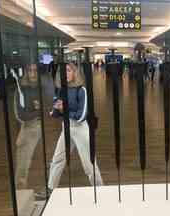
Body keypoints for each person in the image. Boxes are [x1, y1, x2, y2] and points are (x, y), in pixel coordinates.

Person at [43, 63, 103, 197]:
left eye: (69, 71)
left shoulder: (81, 90)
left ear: (74, 73)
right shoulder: (60, 90)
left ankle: (100, 190)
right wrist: (55, 111)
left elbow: (81, 116)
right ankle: (50, 190)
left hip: (80, 130)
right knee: (57, 160)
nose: (66, 74)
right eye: (63, 72)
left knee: (89, 165)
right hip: (66, 128)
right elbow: (57, 111)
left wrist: (63, 111)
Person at [14, 64, 41, 188]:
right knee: (23, 166)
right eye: (30, 70)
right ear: (26, 71)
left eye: (35, 70)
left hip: (44, 127)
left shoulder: (41, 87)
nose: (33, 73)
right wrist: (38, 111)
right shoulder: (22, 89)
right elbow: (21, 115)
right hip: (29, 128)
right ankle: (20, 194)